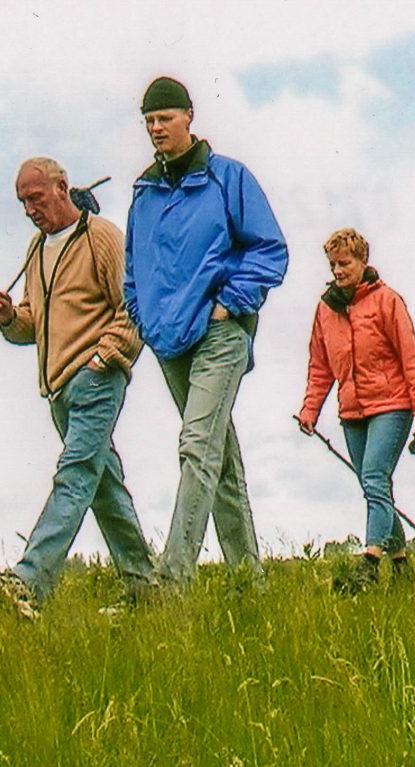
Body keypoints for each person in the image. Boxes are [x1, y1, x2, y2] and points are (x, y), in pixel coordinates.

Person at [125, 76, 288, 589]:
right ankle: (249, 583)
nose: (156, 129)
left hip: (219, 335)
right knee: (218, 463)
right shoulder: (144, 194)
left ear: (189, 118)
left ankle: (171, 581)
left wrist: (230, 304)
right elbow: (133, 266)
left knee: (196, 446)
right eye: (149, 121)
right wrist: (142, 315)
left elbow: (270, 250)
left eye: (165, 119)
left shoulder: (228, 178)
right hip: (168, 342)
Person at [0, 157, 154, 618]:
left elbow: (133, 303)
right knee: (104, 487)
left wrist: (106, 357)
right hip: (57, 391)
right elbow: (34, 324)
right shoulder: (36, 251)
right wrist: (9, 317)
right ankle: (146, 591)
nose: (30, 209)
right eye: (22, 202)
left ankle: (29, 581)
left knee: (73, 477)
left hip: (95, 380)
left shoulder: (102, 237)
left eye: (35, 198)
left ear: (62, 188)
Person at [296, 228, 415, 591]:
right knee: (374, 487)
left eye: (345, 263)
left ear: (363, 262)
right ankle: (402, 565)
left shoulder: (388, 301)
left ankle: (369, 564)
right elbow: (320, 365)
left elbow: (410, 358)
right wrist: (310, 410)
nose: (338, 270)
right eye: (333, 264)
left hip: (392, 405)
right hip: (352, 412)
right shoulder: (325, 309)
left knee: (374, 477)